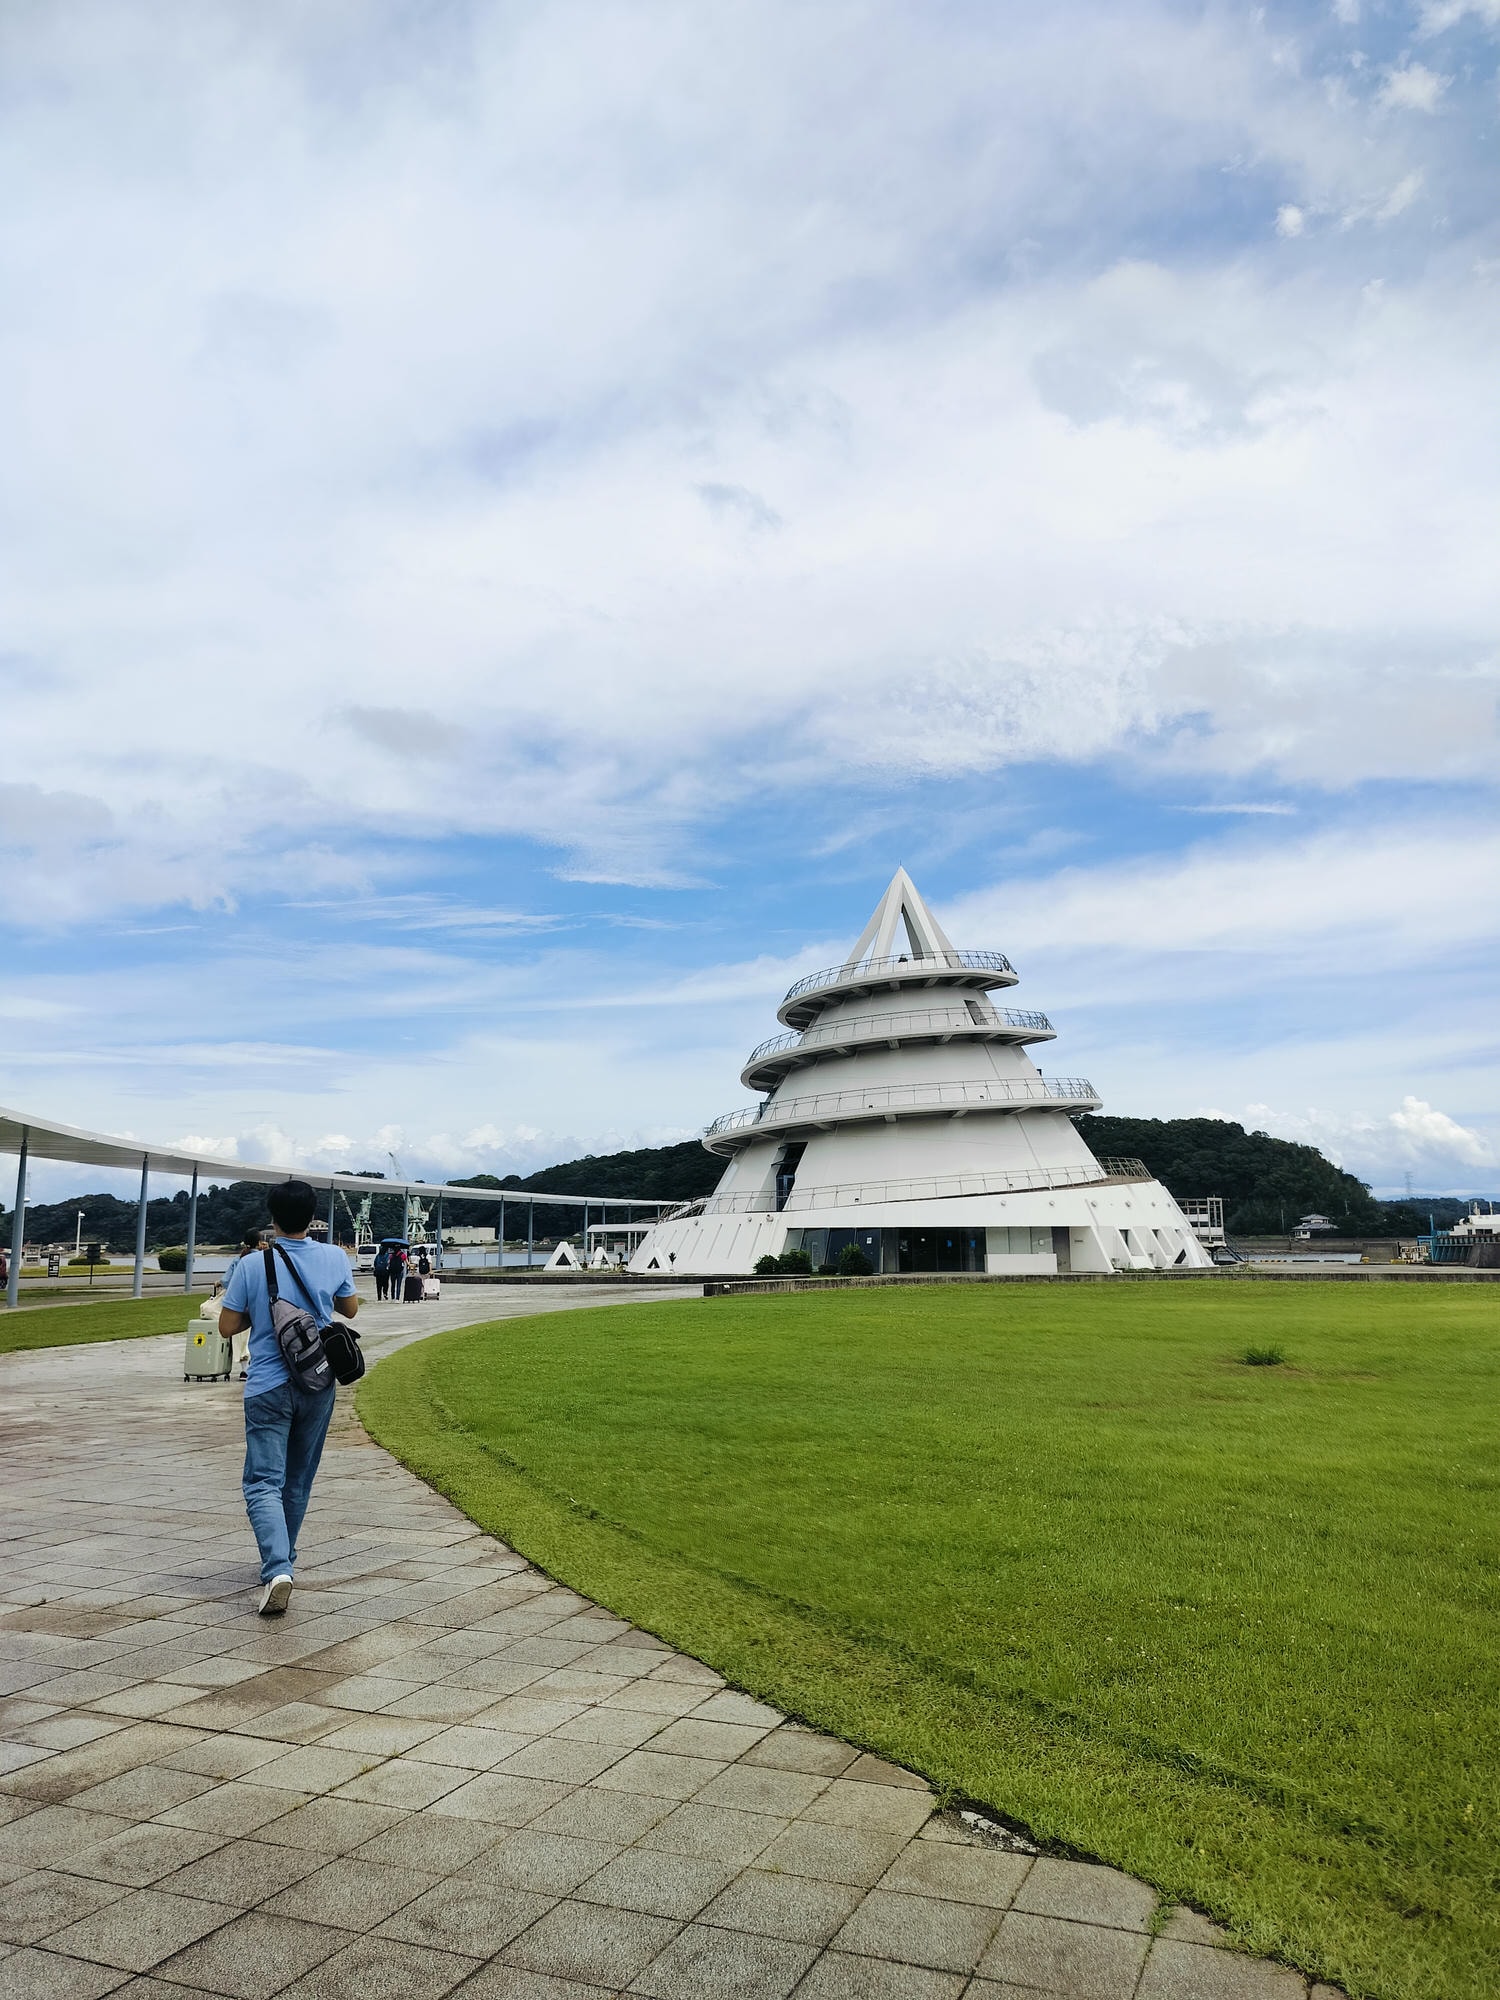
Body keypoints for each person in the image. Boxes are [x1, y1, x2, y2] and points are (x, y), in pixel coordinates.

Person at [219, 1180, 358, 1616]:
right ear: (313, 1215)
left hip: (267, 1385)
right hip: (317, 1382)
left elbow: (226, 1327)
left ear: (271, 1216)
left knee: (263, 1481)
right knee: (298, 1480)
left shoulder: (251, 1264)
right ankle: (285, 1561)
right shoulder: (335, 1257)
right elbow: (349, 1310)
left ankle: (277, 1567)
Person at [220, 1229, 265, 1379]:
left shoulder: (239, 1259)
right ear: (259, 1243)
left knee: (240, 1337)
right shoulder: (264, 1258)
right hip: (260, 1302)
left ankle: (244, 1369)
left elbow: (226, 1280)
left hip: (241, 1304)